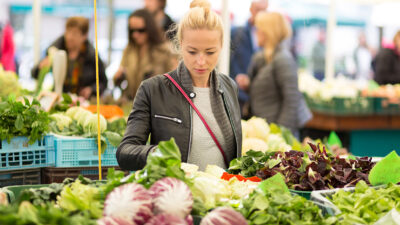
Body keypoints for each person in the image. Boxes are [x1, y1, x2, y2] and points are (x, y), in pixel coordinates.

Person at [117, 0, 242, 171]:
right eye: (192, 51)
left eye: (210, 52)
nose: (200, 61)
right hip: (177, 193)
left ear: (221, 47)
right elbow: (125, 152)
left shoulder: (229, 87)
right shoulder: (153, 89)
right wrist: (159, 154)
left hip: (225, 194)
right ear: (180, 44)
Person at [236, 12, 311, 137]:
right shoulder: (263, 57)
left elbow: (292, 100)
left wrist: (279, 134)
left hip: (276, 132)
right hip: (265, 129)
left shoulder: (283, 59)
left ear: (267, 32)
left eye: (258, 29)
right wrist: (249, 85)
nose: (256, 32)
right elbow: (268, 90)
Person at [32, 16, 107, 99]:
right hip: (58, 100)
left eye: (74, 33)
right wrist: (41, 67)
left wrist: (91, 90)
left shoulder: (92, 55)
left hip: (82, 103)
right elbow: (34, 74)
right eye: (68, 32)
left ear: (84, 36)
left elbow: (103, 82)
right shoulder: (55, 50)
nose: (69, 37)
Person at [113, 9, 176, 101]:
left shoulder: (164, 51)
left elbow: (174, 84)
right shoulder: (129, 50)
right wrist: (118, 77)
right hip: (132, 104)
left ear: (149, 29)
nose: (135, 35)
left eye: (140, 30)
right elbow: (119, 78)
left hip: (155, 105)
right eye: (132, 31)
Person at [229, 0, 268, 118]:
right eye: (258, 9)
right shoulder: (237, 33)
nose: (260, 14)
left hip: (256, 98)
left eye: (264, 10)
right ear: (251, 9)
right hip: (237, 94)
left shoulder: (268, 36)